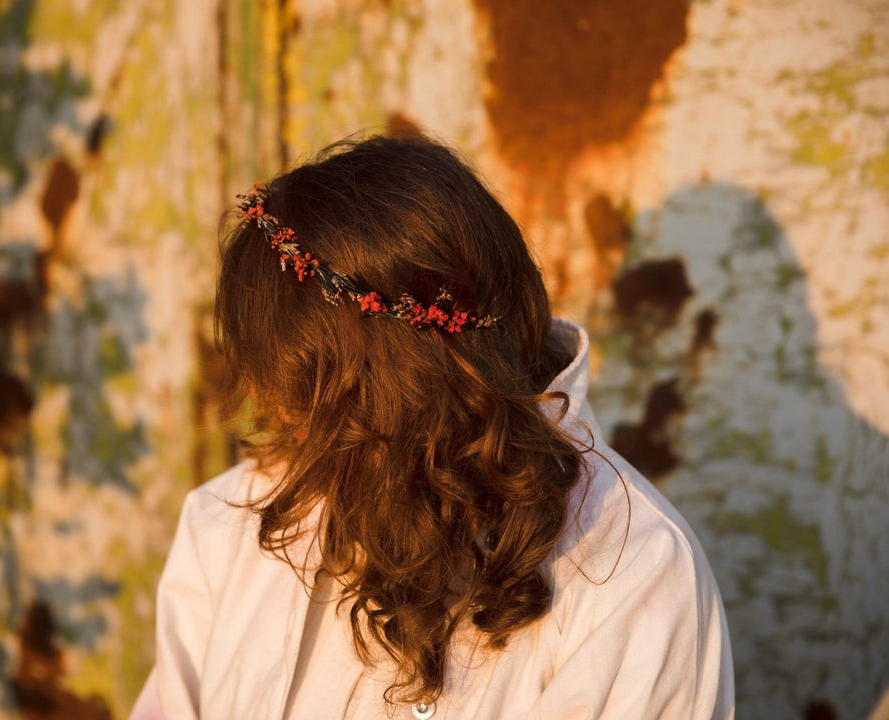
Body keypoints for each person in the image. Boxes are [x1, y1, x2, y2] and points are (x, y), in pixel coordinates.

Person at [129, 135, 734, 719]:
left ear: (389, 388)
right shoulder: (229, 522)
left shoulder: (630, 573)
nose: (272, 409)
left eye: (302, 392)